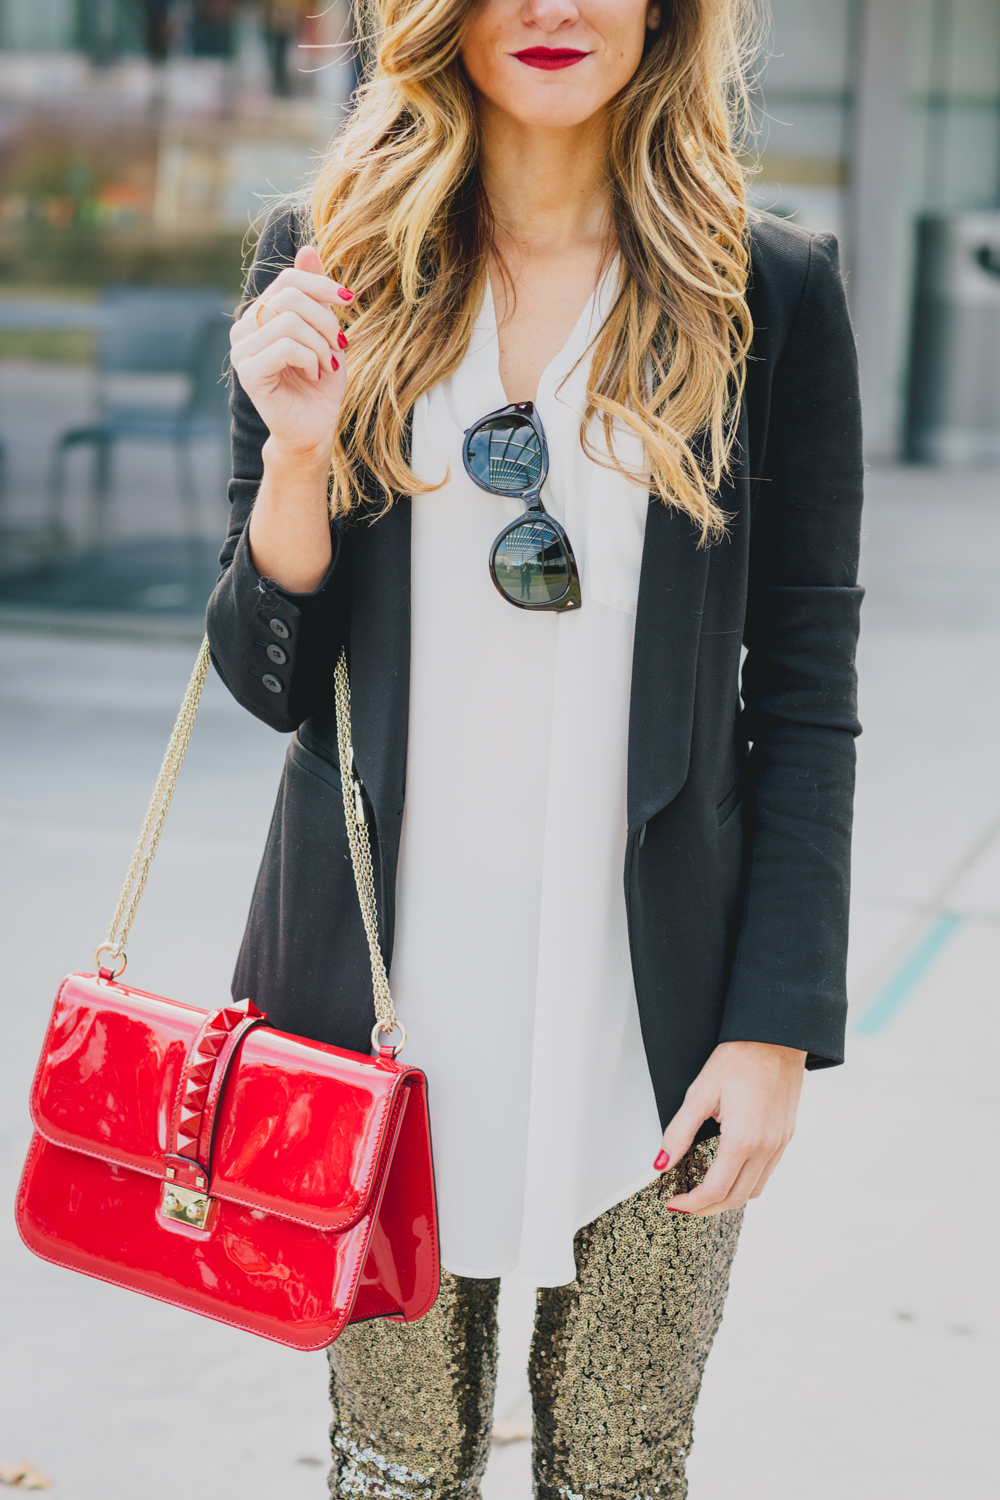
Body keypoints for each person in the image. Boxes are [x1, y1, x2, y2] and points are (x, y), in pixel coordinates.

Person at [208, 0, 863, 1494]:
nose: (555, 7)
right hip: (381, 1008)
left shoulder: (764, 295)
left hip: (659, 1019)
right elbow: (272, 680)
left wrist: (774, 1027)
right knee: (392, 1466)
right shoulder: (328, 270)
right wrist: (298, 448)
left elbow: (810, 688)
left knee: (626, 1469)